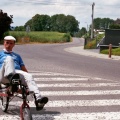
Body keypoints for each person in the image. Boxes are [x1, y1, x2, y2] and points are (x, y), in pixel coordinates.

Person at [0, 35, 48, 111]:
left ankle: (38, 100)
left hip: (17, 73)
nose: (9, 45)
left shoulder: (17, 56)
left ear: (14, 45)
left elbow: (24, 69)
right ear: (4, 43)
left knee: (29, 75)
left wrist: (27, 82)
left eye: (11, 43)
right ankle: (12, 79)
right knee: (9, 58)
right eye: (7, 43)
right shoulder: (0, 54)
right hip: (4, 74)